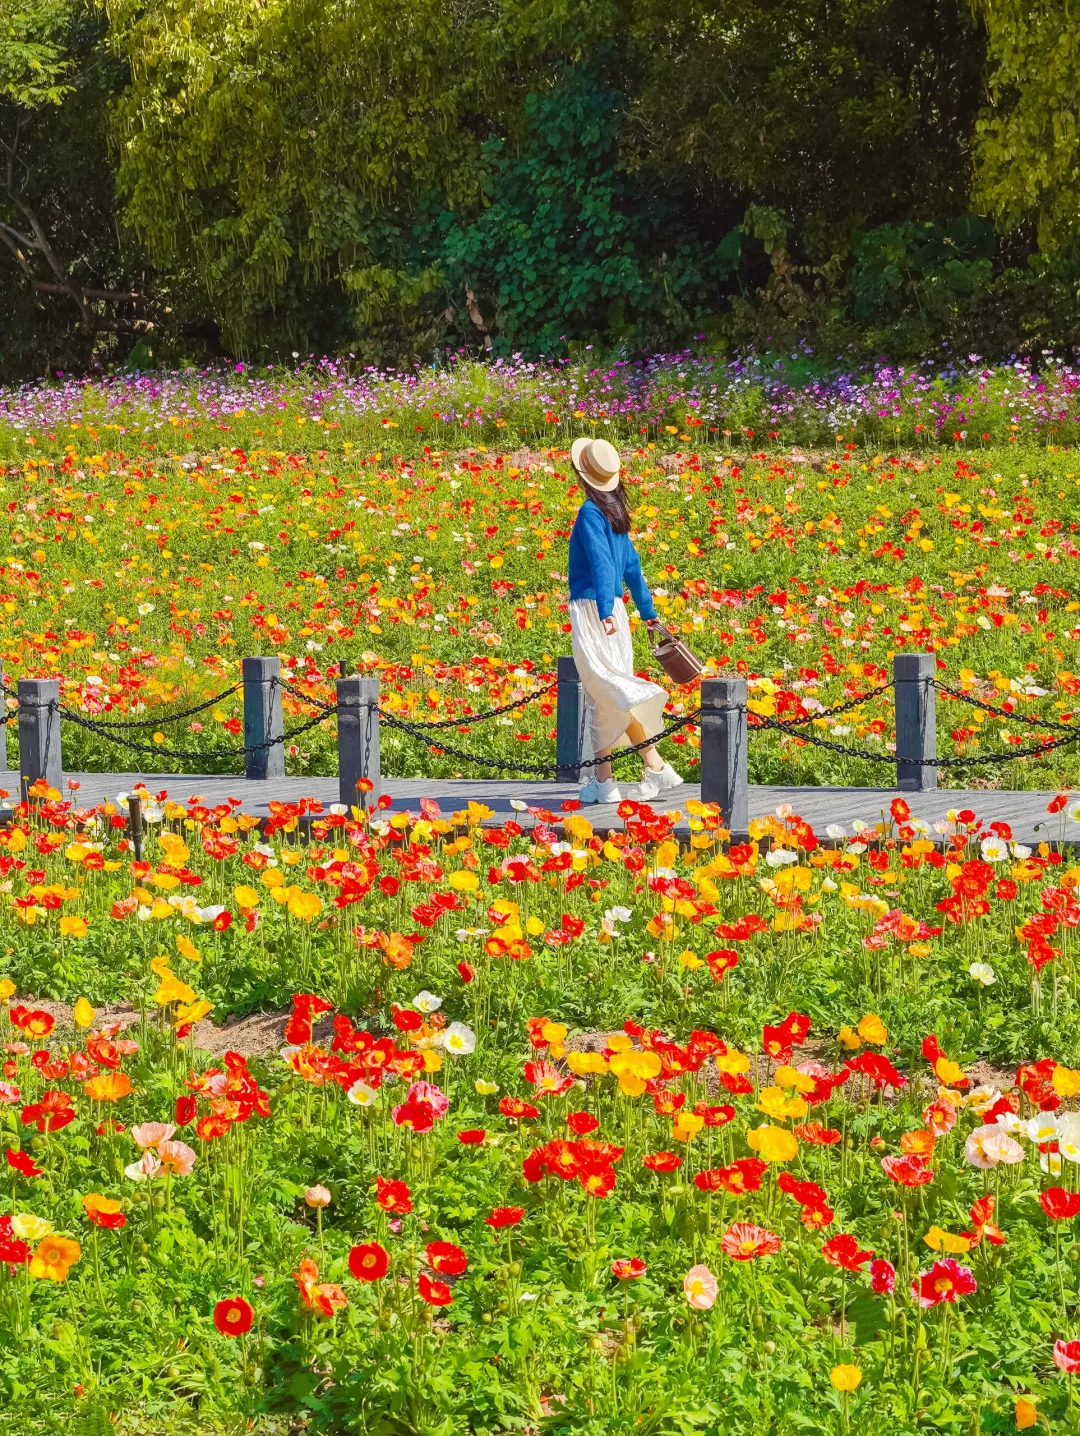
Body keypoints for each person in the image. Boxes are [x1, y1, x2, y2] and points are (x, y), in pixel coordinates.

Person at [566, 436, 683, 804]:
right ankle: (606, 781)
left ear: (582, 474)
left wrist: (603, 611)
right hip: (613, 609)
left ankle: (653, 765)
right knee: (602, 694)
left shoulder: (590, 512)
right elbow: (632, 567)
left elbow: (602, 564)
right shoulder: (615, 513)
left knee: (606, 689)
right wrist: (647, 612)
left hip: (594, 609)